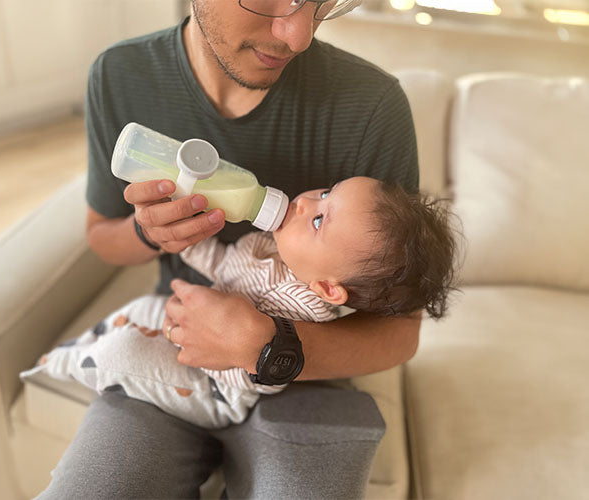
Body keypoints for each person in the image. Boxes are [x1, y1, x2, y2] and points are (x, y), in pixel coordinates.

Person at [38, 0, 423, 497]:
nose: (299, 35)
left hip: (309, 378)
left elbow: (401, 333)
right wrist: (149, 234)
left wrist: (270, 345)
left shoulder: (372, 105)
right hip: (175, 345)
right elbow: (101, 237)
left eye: (323, 2)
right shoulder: (121, 75)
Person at [23, 177, 456, 428]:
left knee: (124, 350)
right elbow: (219, 263)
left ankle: (58, 365)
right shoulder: (265, 245)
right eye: (326, 193)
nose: (306, 202)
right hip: (187, 334)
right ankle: (81, 345)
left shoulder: (303, 308)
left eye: (320, 220)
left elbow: (259, 375)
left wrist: (242, 342)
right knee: (141, 309)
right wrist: (182, 236)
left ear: (327, 289)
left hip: (214, 387)